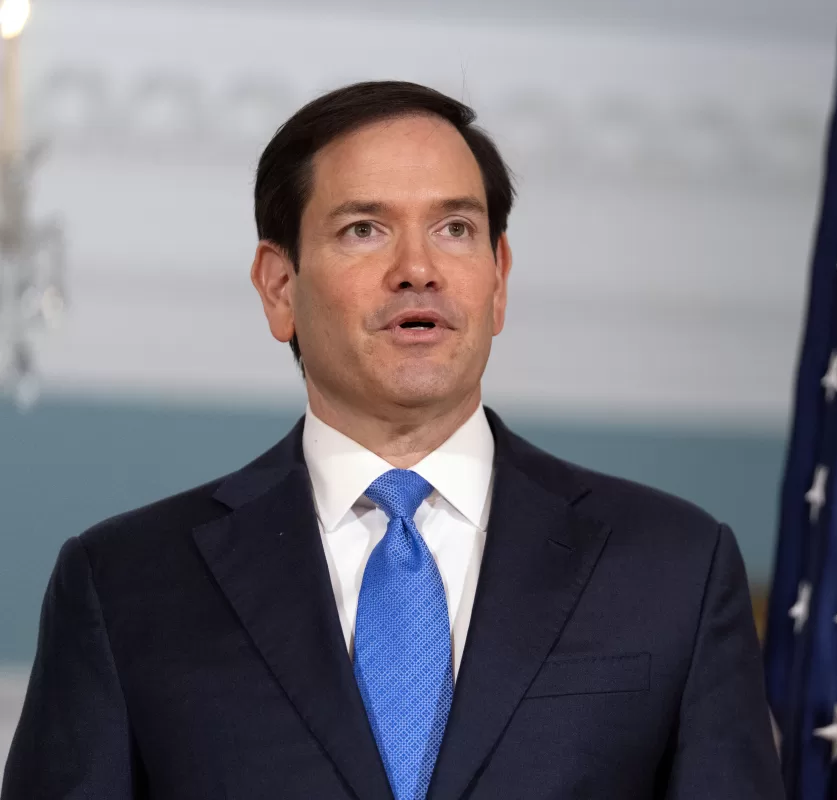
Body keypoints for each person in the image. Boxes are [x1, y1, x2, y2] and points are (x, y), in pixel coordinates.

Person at [1, 81, 784, 800]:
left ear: (499, 278)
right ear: (279, 287)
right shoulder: (124, 583)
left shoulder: (673, 568)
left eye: (455, 228)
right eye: (365, 229)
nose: (418, 269)